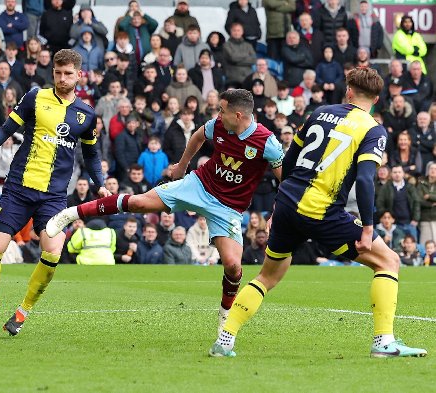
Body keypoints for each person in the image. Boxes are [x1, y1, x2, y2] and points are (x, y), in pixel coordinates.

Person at [210, 67, 427, 358]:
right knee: (389, 261)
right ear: (376, 98)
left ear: (349, 90)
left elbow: (288, 163)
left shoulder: (319, 112)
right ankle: (383, 342)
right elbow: (364, 180)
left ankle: (225, 341)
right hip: (321, 209)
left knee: (268, 276)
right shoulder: (373, 129)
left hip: (288, 203)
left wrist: (278, 204)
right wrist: (367, 228)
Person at [47, 89, 284, 334]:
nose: (218, 116)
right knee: (139, 203)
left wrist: (277, 213)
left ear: (238, 115)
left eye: (222, 111)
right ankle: (71, 213)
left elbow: (286, 181)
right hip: (199, 185)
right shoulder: (219, 125)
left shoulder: (267, 143)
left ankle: (225, 315)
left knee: (234, 267)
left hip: (228, 208)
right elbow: (197, 136)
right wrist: (182, 167)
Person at [0, 49, 108, 337]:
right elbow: (7, 129)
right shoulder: (35, 97)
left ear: (79, 75)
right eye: (58, 73)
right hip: (19, 188)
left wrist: (101, 182)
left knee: (53, 252)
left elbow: (92, 155)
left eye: (68, 74)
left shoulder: (86, 114)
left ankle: (22, 312)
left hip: (54, 196)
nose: (62, 78)